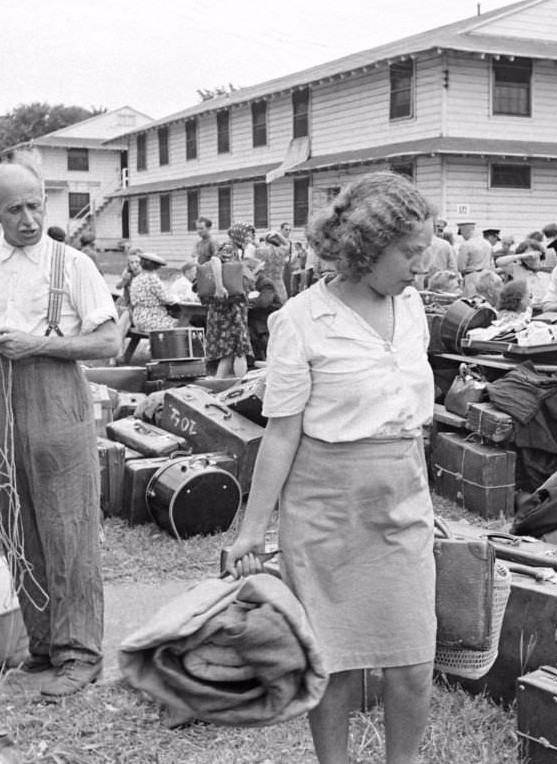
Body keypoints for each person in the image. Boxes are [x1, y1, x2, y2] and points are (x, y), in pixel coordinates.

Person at [223, 171, 436, 764]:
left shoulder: (413, 306)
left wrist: (416, 489)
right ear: (368, 246)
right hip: (325, 509)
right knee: (335, 665)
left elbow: (411, 414)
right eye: (411, 252)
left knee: (414, 664)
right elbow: (282, 432)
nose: (421, 264)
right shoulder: (301, 319)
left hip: (402, 500)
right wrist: (251, 530)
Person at [0, 155, 118, 697]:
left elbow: (108, 343)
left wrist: (41, 343)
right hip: (3, 399)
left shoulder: (73, 265)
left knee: (70, 529)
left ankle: (80, 654)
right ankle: (42, 647)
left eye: (36, 206)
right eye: (14, 209)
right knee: (21, 528)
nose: (29, 219)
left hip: (59, 398)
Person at [203, 223, 254, 378]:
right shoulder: (229, 247)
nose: (250, 239)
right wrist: (219, 286)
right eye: (248, 235)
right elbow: (215, 261)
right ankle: (241, 385)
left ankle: (217, 383)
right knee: (240, 349)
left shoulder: (237, 251)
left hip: (232, 306)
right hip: (229, 309)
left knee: (230, 352)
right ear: (240, 235)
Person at [128, 253, 179, 333]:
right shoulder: (152, 279)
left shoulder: (136, 279)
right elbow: (166, 299)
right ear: (156, 266)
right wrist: (176, 298)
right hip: (152, 318)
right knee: (181, 324)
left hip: (138, 318)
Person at [494, 240, 549, 307]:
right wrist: (523, 256)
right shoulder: (517, 269)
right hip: (526, 309)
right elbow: (499, 262)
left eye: (533, 257)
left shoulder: (546, 270)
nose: (530, 260)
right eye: (527, 258)